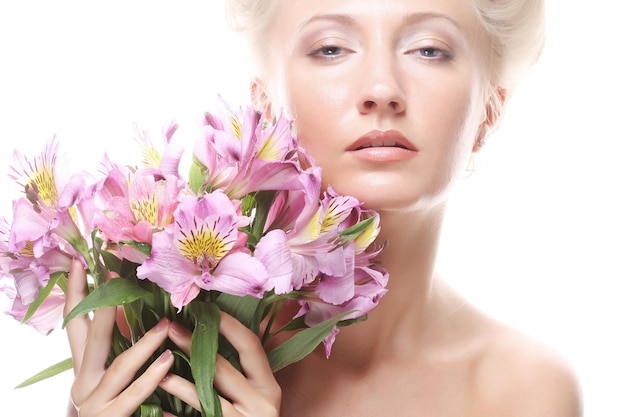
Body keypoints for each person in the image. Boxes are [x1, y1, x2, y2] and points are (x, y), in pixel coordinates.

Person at [64, 0, 583, 415]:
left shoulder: (526, 395)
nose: (382, 90)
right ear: (265, 106)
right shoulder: (155, 351)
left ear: (490, 109)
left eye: (429, 50)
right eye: (331, 48)